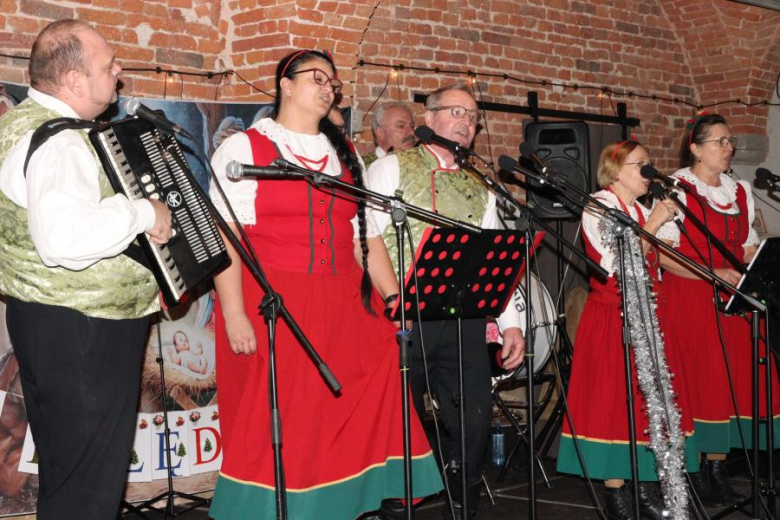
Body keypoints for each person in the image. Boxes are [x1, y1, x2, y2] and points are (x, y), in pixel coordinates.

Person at [208, 49, 442, 520]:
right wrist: (233, 313)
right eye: (316, 77)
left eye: (332, 81)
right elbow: (225, 240)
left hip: (344, 302)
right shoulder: (243, 149)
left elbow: (366, 237)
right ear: (285, 85)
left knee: (370, 392)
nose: (327, 85)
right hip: (275, 303)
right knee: (287, 423)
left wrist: (394, 297)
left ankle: (348, 504)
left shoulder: (343, 154)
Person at [0, 19, 171, 519]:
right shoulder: (60, 141)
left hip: (49, 321)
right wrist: (145, 213)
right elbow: (65, 240)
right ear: (75, 81)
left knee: (69, 473)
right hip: (84, 330)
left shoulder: (20, 124)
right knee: (90, 487)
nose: (118, 72)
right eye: (108, 65)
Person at [366, 82, 526, 518]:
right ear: (430, 117)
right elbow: (368, 240)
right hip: (405, 320)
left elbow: (496, 256)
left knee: (473, 421)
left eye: (472, 117)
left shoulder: (481, 184)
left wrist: (512, 323)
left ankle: (463, 506)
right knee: (400, 422)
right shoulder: (392, 169)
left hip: (465, 320)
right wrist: (394, 299)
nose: (465, 123)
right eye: (456, 112)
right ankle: (397, 504)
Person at [555, 140, 698, 519]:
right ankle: (616, 494)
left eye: (650, 164)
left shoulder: (638, 207)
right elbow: (615, 263)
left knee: (645, 402)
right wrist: (653, 225)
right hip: (612, 315)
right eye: (641, 165)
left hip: (649, 314)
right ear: (616, 170)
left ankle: (645, 484)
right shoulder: (598, 205)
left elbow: (660, 256)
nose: (648, 171)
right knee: (615, 403)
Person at [660, 113, 780, 506]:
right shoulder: (677, 188)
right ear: (695, 147)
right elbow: (663, 254)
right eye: (720, 142)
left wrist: (754, 255)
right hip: (691, 298)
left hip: (733, 298)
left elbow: (745, 243)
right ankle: (693, 471)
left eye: (730, 141)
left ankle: (717, 469)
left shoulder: (740, 189)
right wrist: (714, 272)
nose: (729, 148)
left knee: (728, 385)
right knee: (699, 383)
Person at [363, 102, 416, 169]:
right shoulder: (363, 169)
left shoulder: (419, 164)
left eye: (412, 126)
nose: (411, 132)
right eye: (401, 126)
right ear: (380, 133)